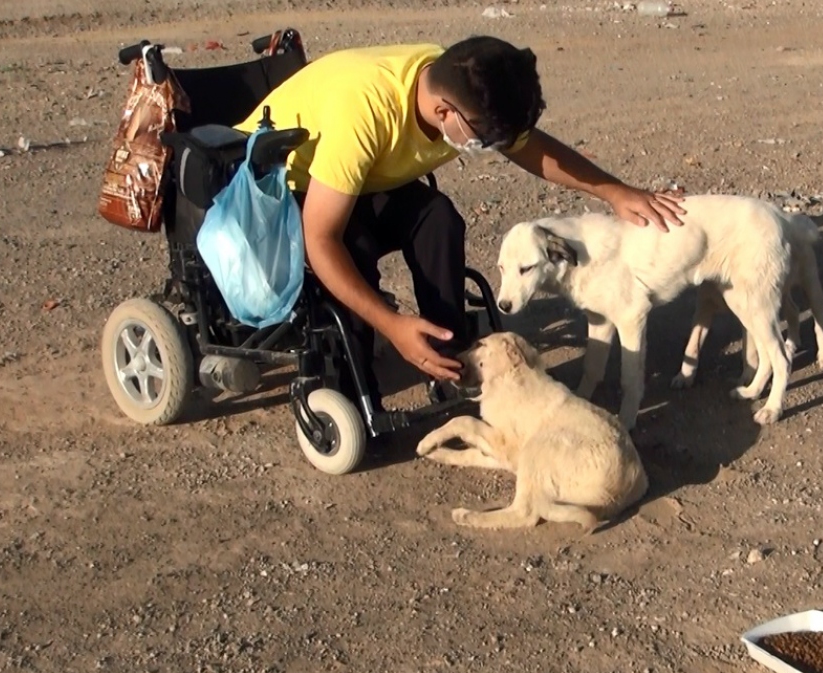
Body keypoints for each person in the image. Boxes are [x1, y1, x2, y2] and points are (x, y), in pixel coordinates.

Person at [234, 35, 685, 401]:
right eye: (486, 141)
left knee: (439, 219)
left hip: (364, 180)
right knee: (355, 247)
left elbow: (531, 148)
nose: (491, 150)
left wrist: (615, 191)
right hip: (276, 188)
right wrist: (392, 325)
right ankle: (353, 386)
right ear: (445, 113)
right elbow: (320, 238)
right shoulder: (367, 111)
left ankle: (449, 359)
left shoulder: (458, 82)